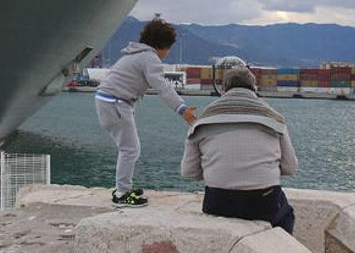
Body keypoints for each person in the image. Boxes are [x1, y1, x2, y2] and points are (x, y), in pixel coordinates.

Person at [181, 67, 298, 233]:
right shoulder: (275, 120)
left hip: (218, 203)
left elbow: (189, 172)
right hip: (263, 202)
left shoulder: (201, 122)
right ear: (255, 88)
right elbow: (290, 167)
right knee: (287, 215)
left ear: (223, 90)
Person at [95, 18, 197, 207]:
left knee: (129, 148)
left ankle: (123, 188)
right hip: (116, 103)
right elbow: (163, 86)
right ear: (164, 46)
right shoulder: (149, 58)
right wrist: (182, 109)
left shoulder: (133, 54)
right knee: (130, 149)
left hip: (110, 101)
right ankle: (122, 193)